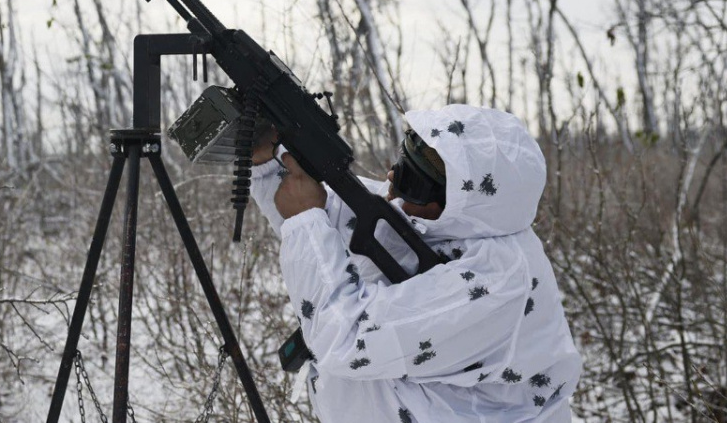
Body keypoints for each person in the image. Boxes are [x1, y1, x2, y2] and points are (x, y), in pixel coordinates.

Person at [249, 104, 582, 422]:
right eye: (406, 157)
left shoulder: (497, 282)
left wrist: (305, 220)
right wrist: (268, 161)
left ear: (464, 202)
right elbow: (333, 217)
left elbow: (347, 337)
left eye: (415, 180)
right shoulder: (444, 225)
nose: (394, 178)